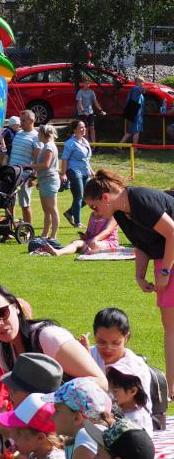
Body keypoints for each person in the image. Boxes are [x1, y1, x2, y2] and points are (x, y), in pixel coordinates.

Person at [84, 168, 174, 395]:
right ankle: (171, 389)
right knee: (170, 326)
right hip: (165, 259)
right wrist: (139, 276)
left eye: (94, 207)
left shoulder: (140, 199)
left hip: (169, 259)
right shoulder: (121, 213)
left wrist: (165, 272)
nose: (95, 213)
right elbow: (141, 243)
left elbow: (173, 233)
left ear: (105, 197)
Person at [0, 281, 107, 386]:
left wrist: (56, 398)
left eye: (2, 312)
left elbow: (100, 381)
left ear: (15, 307)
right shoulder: (4, 352)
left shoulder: (48, 338)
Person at [4, 109, 41, 226]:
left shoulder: (36, 137)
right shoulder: (18, 133)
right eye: (21, 120)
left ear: (32, 121)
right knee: (8, 202)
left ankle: (28, 229)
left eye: (23, 120)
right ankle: (9, 228)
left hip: (24, 176)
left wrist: (34, 176)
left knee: (25, 205)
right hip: (11, 173)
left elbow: (37, 159)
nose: (21, 123)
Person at [43, 208, 119, 257]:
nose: (95, 209)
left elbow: (107, 231)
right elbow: (89, 231)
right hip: (90, 241)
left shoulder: (113, 215)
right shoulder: (92, 214)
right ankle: (58, 252)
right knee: (76, 242)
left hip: (108, 242)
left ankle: (83, 249)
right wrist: (85, 236)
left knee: (93, 244)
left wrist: (94, 239)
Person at [61, 119, 92, 228]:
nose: (84, 129)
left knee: (88, 197)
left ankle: (69, 213)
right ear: (74, 130)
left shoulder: (85, 141)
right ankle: (77, 223)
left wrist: (91, 171)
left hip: (85, 172)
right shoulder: (70, 143)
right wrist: (63, 174)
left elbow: (86, 159)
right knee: (78, 197)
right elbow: (64, 159)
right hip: (74, 172)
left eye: (84, 127)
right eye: (81, 127)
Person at [35, 124, 61, 241]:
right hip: (44, 180)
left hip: (50, 180)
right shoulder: (46, 146)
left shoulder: (49, 146)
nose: (38, 135)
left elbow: (46, 164)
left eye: (39, 133)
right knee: (47, 210)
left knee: (52, 209)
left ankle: (53, 235)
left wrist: (30, 166)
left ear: (43, 134)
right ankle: (45, 234)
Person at [120, 75, 146, 145]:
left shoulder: (137, 91)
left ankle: (119, 146)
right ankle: (135, 148)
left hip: (134, 113)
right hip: (135, 113)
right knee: (136, 131)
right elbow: (143, 89)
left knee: (130, 131)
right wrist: (153, 87)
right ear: (138, 82)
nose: (143, 84)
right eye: (142, 82)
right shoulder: (136, 88)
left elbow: (143, 91)